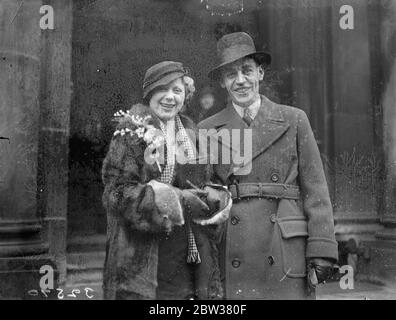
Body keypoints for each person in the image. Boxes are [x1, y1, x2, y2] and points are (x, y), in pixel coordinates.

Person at [198, 32, 338, 299]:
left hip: (284, 246)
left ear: (260, 73)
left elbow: (316, 191)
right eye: (231, 75)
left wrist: (322, 250)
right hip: (234, 248)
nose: (240, 80)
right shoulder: (207, 129)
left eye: (247, 71)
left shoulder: (294, 119)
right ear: (223, 83)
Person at [101, 61, 231, 300]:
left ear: (186, 96)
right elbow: (117, 194)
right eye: (163, 89)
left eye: (178, 91)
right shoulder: (131, 130)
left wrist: (214, 196)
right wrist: (178, 200)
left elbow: (205, 181)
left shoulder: (191, 131)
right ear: (150, 92)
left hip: (187, 254)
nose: (170, 97)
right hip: (145, 255)